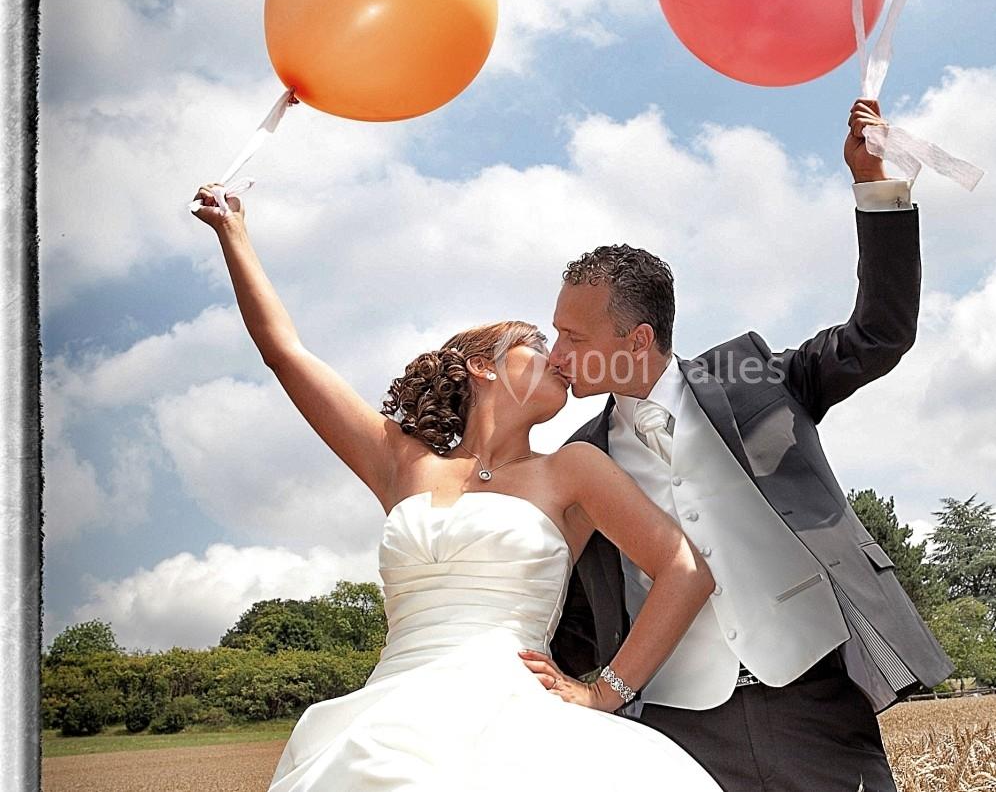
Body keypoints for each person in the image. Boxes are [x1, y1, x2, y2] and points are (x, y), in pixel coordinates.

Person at [188, 185, 724, 791]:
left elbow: (686, 570)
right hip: (387, 717)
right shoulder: (400, 463)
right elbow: (285, 353)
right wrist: (233, 235)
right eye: (540, 345)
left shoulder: (574, 469)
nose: (562, 358)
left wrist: (608, 690)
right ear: (483, 365)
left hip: (518, 719)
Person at [538, 97, 955, 792]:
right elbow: (573, 616)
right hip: (672, 729)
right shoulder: (580, 465)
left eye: (574, 337)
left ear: (636, 340)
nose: (557, 354)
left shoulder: (755, 376)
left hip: (814, 701)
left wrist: (874, 187)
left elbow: (880, 332)